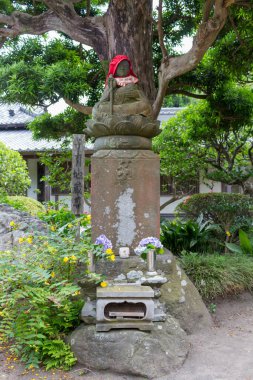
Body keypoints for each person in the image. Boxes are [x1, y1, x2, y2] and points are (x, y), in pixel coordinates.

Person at [92, 55, 153, 119]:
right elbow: (103, 100)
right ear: (115, 68)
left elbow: (145, 100)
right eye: (120, 66)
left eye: (125, 66)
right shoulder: (112, 81)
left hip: (131, 105)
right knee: (100, 107)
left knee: (145, 106)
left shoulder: (133, 81)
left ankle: (120, 113)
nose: (123, 68)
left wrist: (136, 94)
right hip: (116, 106)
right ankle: (120, 113)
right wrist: (111, 88)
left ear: (129, 68)